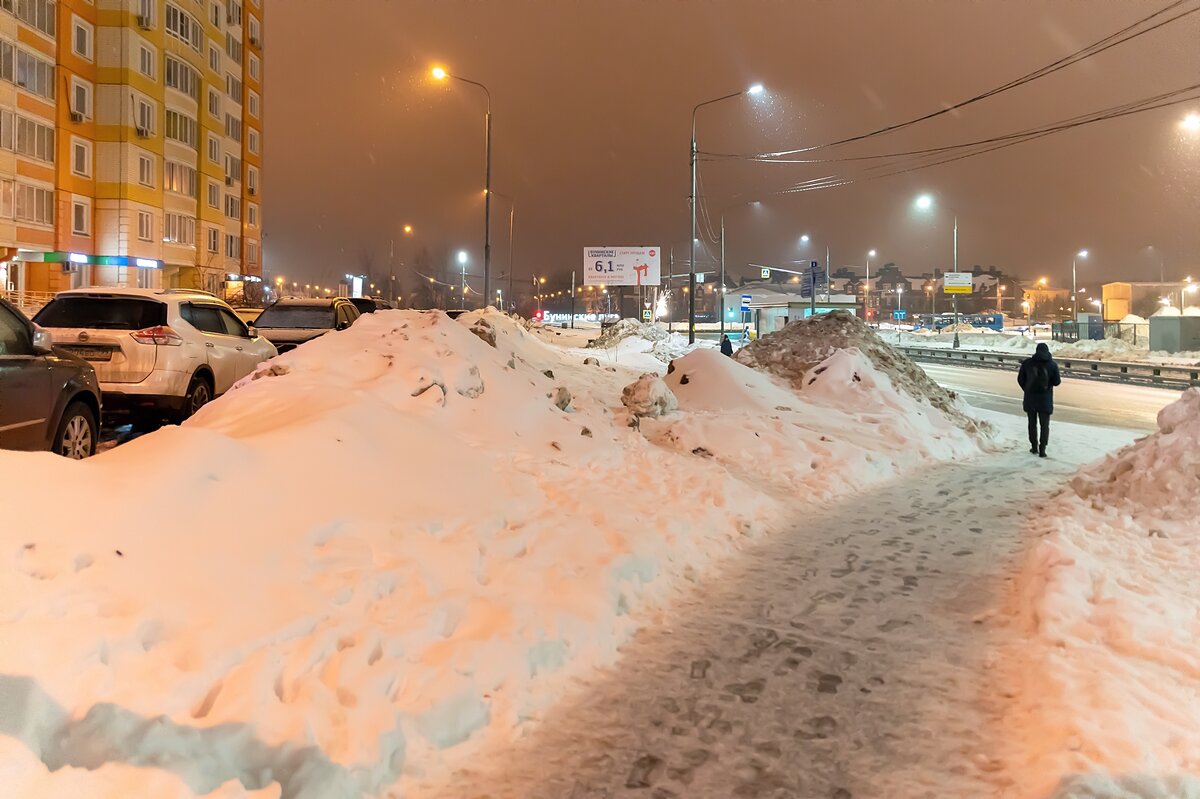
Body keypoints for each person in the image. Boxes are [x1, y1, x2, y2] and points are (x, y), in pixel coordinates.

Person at [1017, 342, 1061, 458]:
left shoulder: (1027, 363)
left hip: (1030, 399)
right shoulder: (1052, 364)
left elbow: (1020, 379)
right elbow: (1057, 382)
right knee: (1044, 425)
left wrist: (1027, 389)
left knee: (1032, 424)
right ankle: (1042, 449)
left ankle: (1034, 447)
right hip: (1045, 399)